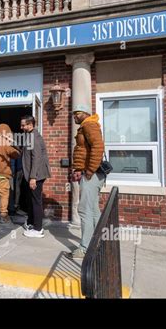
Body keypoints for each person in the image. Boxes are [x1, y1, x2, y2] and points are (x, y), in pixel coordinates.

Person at [67, 104, 105, 260]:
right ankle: (98, 243)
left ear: (84, 113)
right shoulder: (86, 125)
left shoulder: (89, 124)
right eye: (73, 114)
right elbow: (85, 150)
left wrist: (89, 170)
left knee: (84, 211)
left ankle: (85, 248)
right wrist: (78, 169)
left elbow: (98, 147)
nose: (74, 116)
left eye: (77, 113)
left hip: (92, 174)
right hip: (90, 173)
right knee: (94, 211)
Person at [20, 115, 51, 238]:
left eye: (23, 125)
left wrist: (33, 177)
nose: (21, 127)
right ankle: (32, 223)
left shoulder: (34, 138)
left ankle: (38, 229)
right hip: (34, 175)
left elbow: (36, 158)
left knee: (36, 201)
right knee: (32, 201)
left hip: (36, 175)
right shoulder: (30, 136)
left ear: (30, 125)